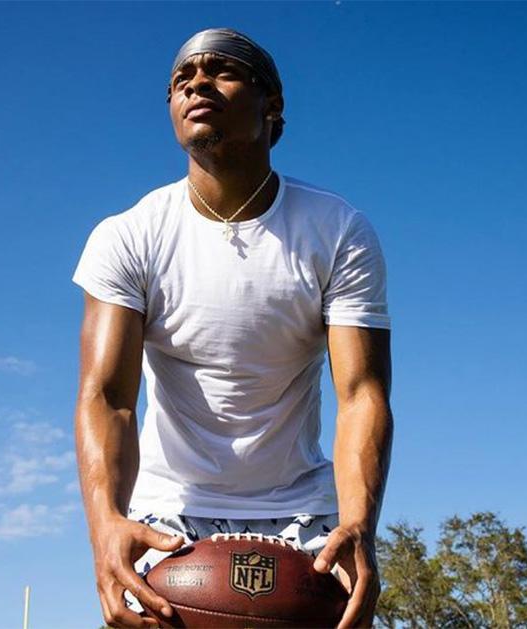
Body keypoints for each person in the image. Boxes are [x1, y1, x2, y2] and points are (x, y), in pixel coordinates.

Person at [72, 27, 393, 629]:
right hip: (170, 516)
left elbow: (362, 395)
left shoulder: (338, 229)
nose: (195, 82)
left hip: (303, 514)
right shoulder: (127, 236)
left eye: (221, 71)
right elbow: (108, 397)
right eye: (180, 79)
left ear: (272, 106)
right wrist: (106, 526)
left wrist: (360, 525)